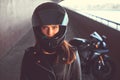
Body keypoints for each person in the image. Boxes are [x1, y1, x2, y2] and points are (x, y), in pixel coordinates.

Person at [20, 2, 82, 80]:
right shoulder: (29, 55)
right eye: (45, 27)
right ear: (38, 29)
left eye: (54, 27)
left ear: (61, 29)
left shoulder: (71, 53)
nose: (50, 32)